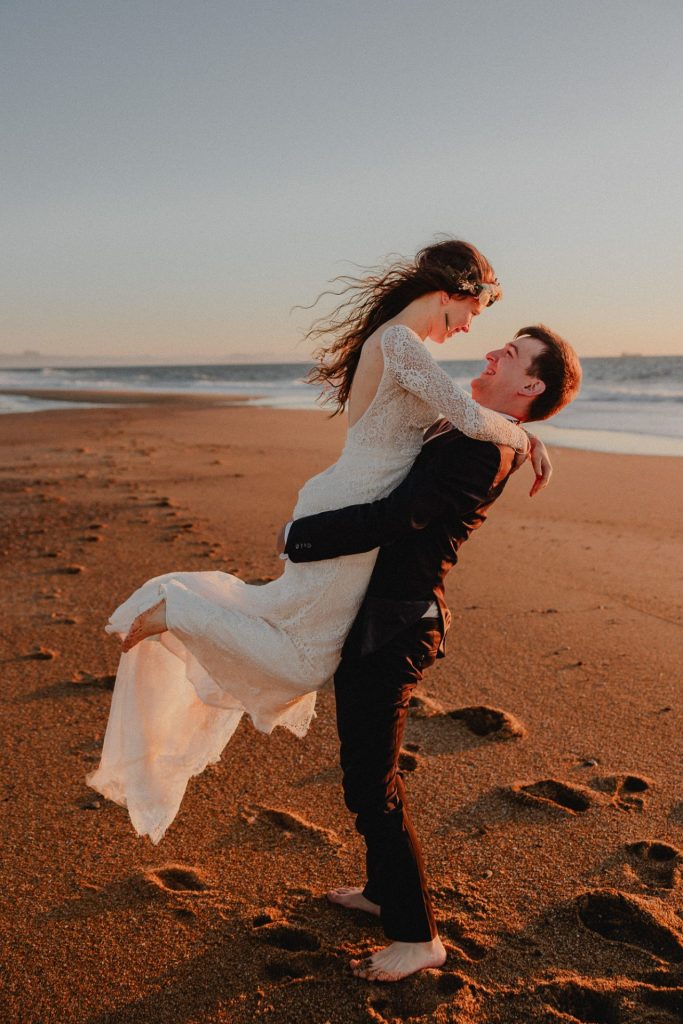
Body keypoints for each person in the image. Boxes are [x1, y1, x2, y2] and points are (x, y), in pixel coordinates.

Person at [87, 240, 550, 844]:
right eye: (473, 313)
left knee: (287, 618)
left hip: (344, 496)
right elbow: (467, 419)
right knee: (306, 657)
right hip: (353, 505)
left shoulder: (392, 340)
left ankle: (182, 605)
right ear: (449, 294)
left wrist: (517, 433)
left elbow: (458, 415)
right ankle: (180, 608)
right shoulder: (401, 343)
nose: (469, 328)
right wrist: (527, 439)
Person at [280, 325, 582, 981]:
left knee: (371, 783)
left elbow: (400, 517)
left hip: (397, 625)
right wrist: (532, 438)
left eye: (513, 353)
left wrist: (298, 535)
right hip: (386, 616)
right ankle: (383, 893)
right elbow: (486, 429)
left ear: (529, 385)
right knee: (363, 774)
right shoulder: (480, 431)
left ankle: (417, 938)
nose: (495, 351)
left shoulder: (480, 449)